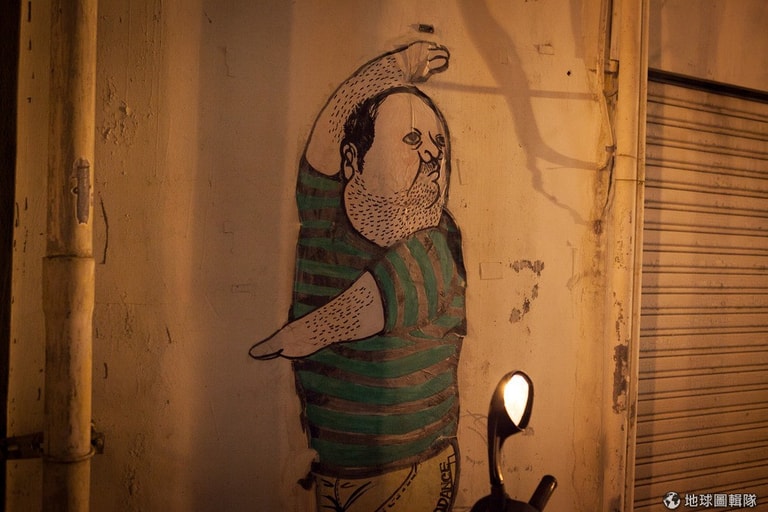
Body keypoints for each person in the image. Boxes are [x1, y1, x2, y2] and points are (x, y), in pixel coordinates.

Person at [250, 41, 466, 512]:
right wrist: (396, 67)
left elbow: (376, 301)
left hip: (412, 470)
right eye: (413, 139)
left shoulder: (439, 241)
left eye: (438, 144)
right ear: (352, 161)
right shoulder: (326, 219)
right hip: (333, 469)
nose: (432, 155)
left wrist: (299, 336)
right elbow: (326, 137)